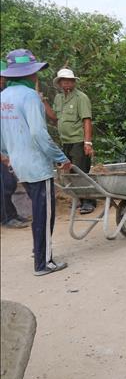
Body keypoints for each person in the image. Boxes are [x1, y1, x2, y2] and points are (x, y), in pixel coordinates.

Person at [0, 49, 72, 276]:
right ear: (30, 73)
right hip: (37, 166)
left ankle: (38, 250)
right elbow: (39, 135)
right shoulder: (30, 97)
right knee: (44, 214)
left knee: (38, 210)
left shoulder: (3, 97)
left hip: (18, 163)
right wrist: (60, 157)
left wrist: (6, 155)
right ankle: (44, 262)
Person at [47, 68, 96, 214]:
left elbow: (87, 120)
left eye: (69, 81)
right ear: (59, 83)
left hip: (78, 141)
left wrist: (87, 143)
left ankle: (89, 201)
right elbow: (55, 117)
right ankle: (80, 200)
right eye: (63, 81)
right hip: (66, 142)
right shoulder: (58, 98)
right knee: (71, 172)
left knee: (81, 171)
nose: (66, 84)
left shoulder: (81, 97)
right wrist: (43, 102)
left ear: (74, 82)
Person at [1, 59, 30, 229]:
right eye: (1, 76)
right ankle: (7, 217)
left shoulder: (4, 94)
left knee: (8, 181)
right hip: (3, 150)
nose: (3, 79)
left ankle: (9, 213)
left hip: (7, 146)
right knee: (6, 183)